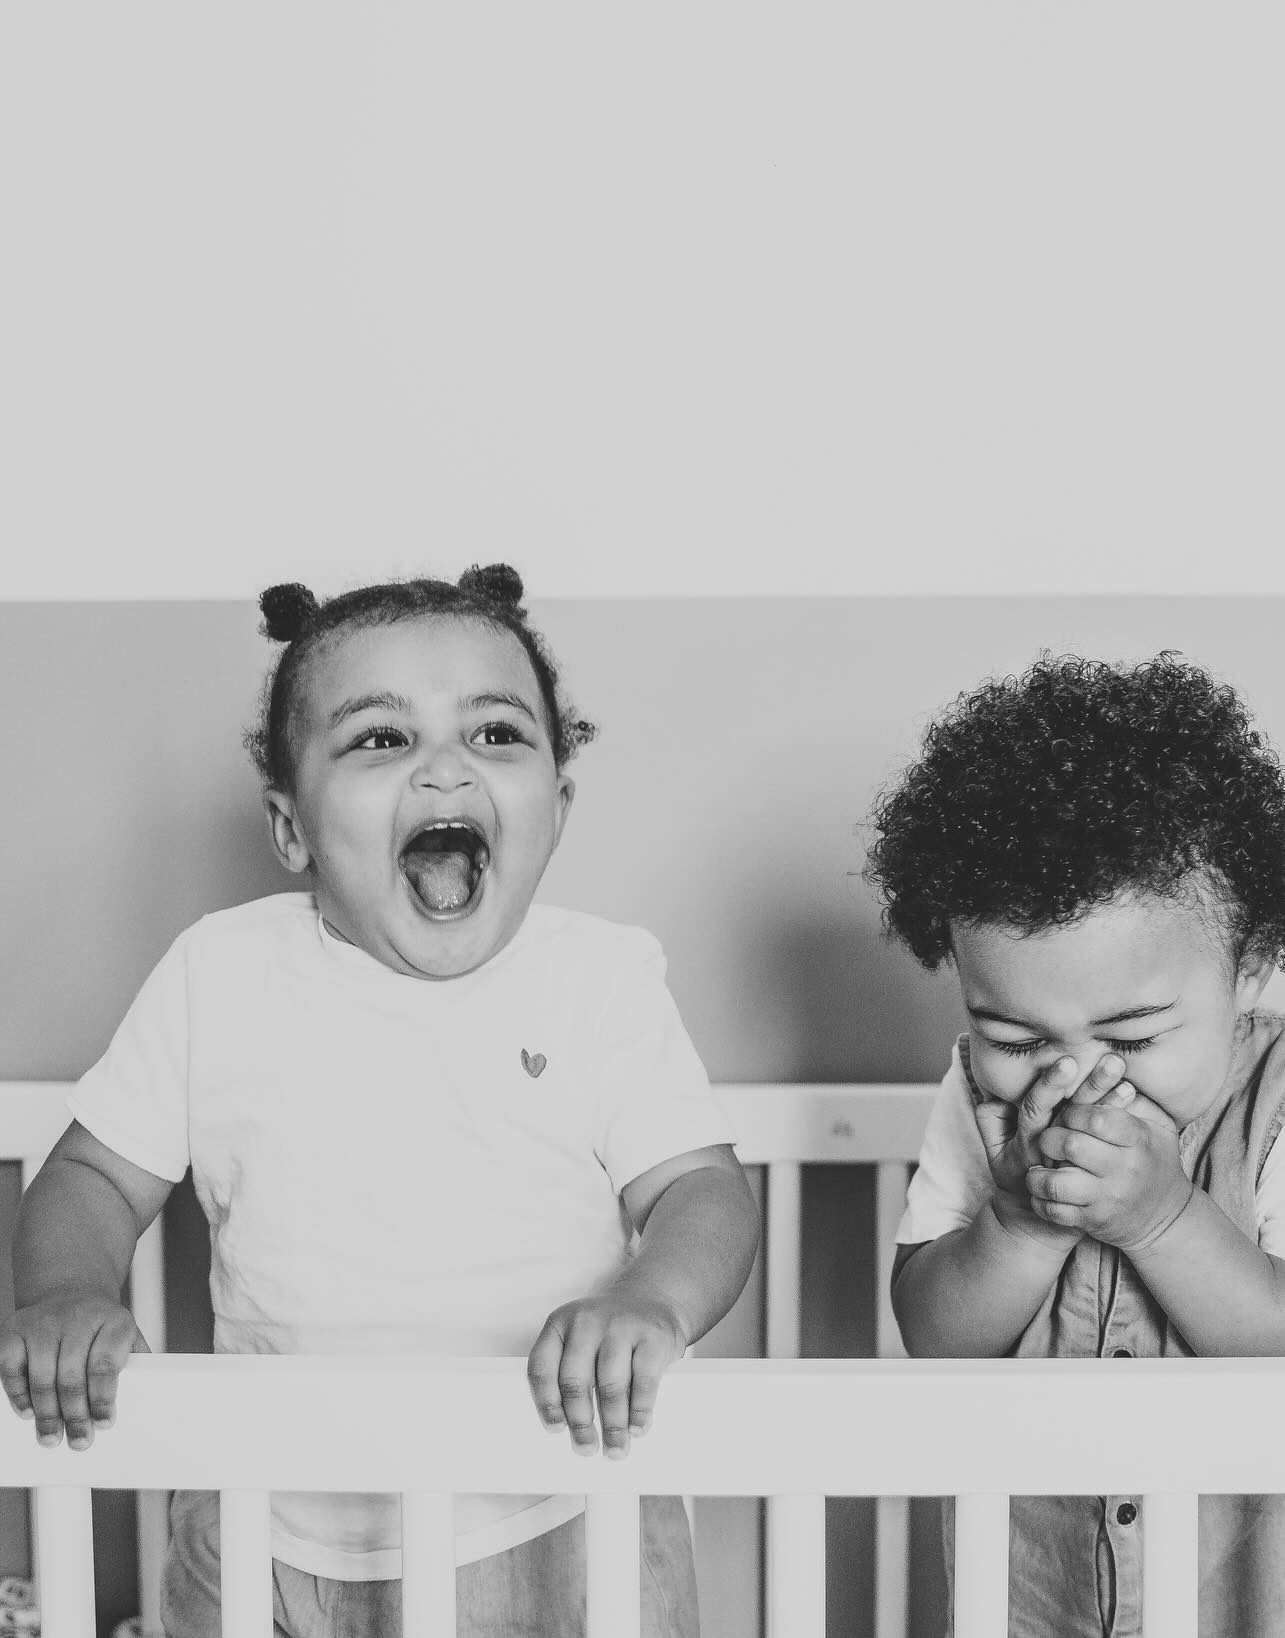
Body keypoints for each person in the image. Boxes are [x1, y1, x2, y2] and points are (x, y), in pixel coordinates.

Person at [0, 564, 760, 1638]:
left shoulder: (598, 981)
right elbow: (85, 1174)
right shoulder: (221, 974)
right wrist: (68, 1292)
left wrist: (653, 1303)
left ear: (559, 805)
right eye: (379, 739)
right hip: (265, 1513)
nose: (446, 766)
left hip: (551, 1507)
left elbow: (703, 1191)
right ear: (292, 828)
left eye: (497, 734)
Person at [868, 652, 1285, 1638]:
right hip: (1037, 1604)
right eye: (1019, 1039)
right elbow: (937, 1334)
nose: (1075, 1078)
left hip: (1273, 1608)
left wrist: (1164, 1218)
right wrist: (1021, 1221)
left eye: (1128, 1037)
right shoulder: (975, 1102)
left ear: (1252, 968)